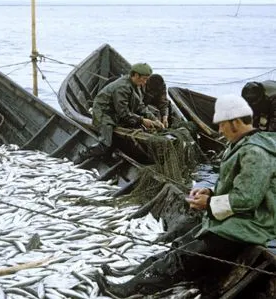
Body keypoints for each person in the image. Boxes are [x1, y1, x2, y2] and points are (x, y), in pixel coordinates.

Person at [96, 94, 276, 298]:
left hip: (252, 226)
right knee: (182, 243)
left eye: (222, 125)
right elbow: (240, 189)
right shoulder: (243, 144)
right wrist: (210, 192)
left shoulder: (256, 153)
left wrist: (208, 203)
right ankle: (132, 275)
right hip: (237, 219)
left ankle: (126, 291)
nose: (219, 131)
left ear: (235, 122)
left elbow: (247, 199)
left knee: (184, 256)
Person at [77, 63, 164, 161]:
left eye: (147, 79)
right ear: (135, 75)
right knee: (105, 145)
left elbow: (140, 106)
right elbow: (124, 113)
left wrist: (154, 119)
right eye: (144, 79)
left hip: (115, 111)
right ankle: (82, 155)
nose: (145, 82)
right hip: (104, 113)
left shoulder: (134, 85)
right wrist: (142, 120)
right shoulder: (122, 87)